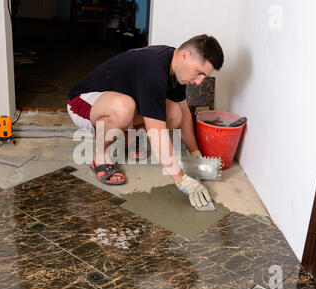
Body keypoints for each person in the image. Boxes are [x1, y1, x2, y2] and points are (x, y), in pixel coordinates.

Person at [67, 35, 224, 209]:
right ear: (186, 55)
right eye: (200, 72)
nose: (199, 81)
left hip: (117, 102)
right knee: (124, 108)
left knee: (174, 113)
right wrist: (181, 179)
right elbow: (157, 132)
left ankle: (131, 139)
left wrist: (195, 153)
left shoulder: (175, 68)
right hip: (84, 102)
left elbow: (185, 114)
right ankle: (99, 155)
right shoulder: (154, 70)